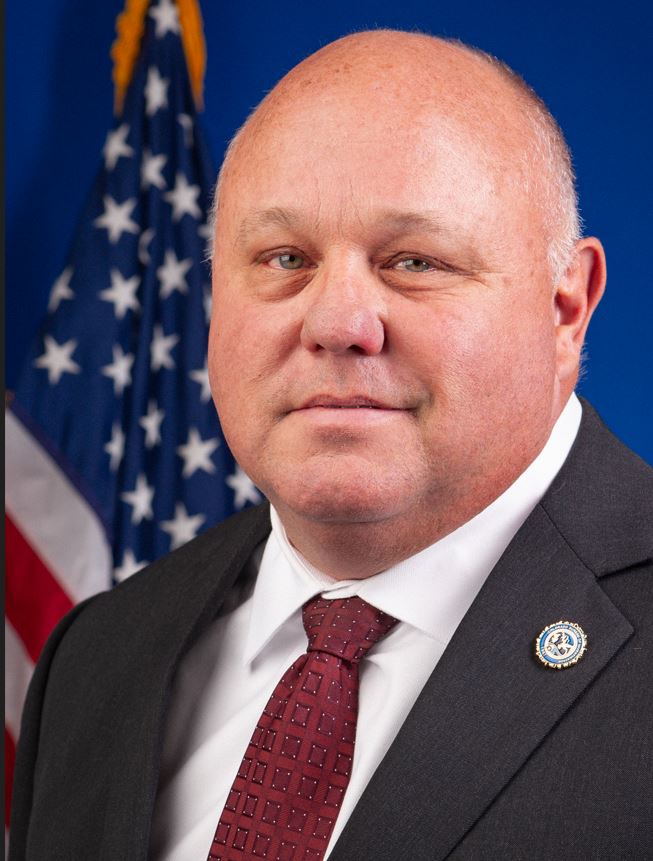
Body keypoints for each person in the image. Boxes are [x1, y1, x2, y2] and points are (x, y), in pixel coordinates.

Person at [10, 30, 652, 861]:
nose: (336, 323)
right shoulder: (94, 658)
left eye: (414, 261)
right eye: (283, 258)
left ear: (565, 307)